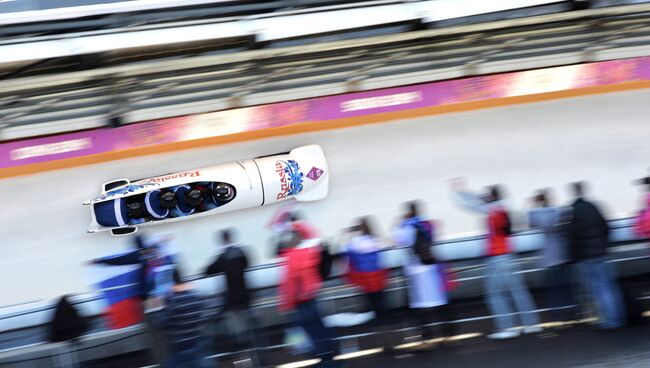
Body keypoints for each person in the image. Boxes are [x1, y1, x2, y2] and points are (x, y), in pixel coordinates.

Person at [451, 178, 541, 339]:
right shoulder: (505, 207)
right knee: (518, 291)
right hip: (509, 255)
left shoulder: (491, 211)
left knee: (495, 294)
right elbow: (479, 199)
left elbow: (468, 204)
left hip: (497, 259)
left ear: (492, 197)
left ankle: (508, 327)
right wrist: (468, 192)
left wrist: (457, 192)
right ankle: (531, 324)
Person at [393, 201, 452, 346]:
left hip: (416, 270)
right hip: (432, 266)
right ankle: (447, 333)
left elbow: (398, 240)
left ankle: (427, 337)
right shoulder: (427, 224)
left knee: (420, 307)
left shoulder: (407, 227)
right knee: (440, 302)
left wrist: (399, 223)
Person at [568, 181, 626, 329]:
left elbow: (573, 237)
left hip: (588, 257)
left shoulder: (574, 211)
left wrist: (576, 256)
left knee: (599, 289)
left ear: (573, 193)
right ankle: (620, 318)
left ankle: (610, 321)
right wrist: (604, 244)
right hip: (602, 252)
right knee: (610, 286)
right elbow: (606, 227)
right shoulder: (594, 206)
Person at [279, 231, 339, 367]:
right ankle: (331, 357)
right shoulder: (309, 254)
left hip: (301, 302)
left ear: (290, 244)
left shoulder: (291, 258)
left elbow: (290, 283)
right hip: (313, 296)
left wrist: (286, 304)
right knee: (321, 329)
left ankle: (325, 361)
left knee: (312, 333)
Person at [203, 228, 259, 356]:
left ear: (222, 240)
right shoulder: (242, 251)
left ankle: (240, 349)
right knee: (251, 327)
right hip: (246, 296)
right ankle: (254, 351)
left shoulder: (223, 257)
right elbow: (248, 263)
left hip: (232, 300)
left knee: (231, 325)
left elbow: (209, 270)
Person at [528, 189, 574, 322]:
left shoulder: (539, 214)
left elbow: (532, 224)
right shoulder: (558, 211)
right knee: (566, 286)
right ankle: (571, 312)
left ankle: (558, 315)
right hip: (563, 255)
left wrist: (533, 206)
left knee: (554, 289)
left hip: (550, 258)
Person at [341, 217, 388, 320]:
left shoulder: (355, 242)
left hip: (363, 275)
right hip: (378, 273)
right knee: (380, 297)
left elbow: (344, 251)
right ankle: (384, 318)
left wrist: (348, 235)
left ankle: (376, 318)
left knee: (370, 299)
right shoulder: (375, 239)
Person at [161, 267, 207, 368]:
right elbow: (203, 310)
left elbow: (165, 322)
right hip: (196, 339)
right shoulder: (195, 296)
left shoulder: (173, 299)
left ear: (173, 281)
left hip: (180, 342)